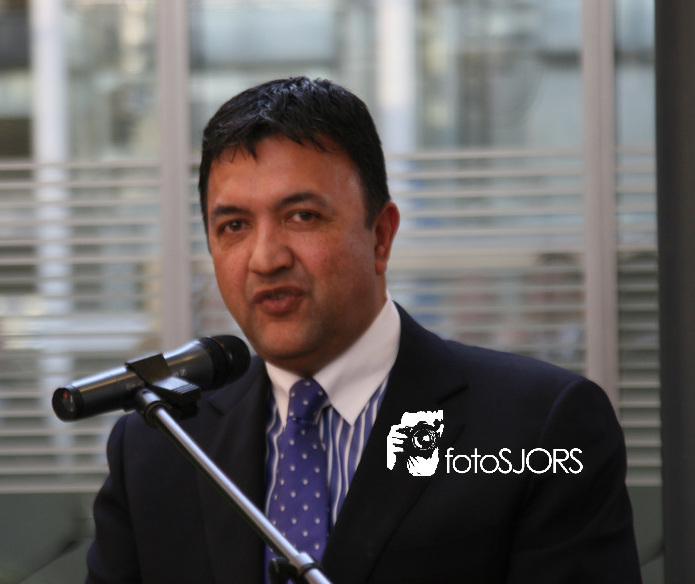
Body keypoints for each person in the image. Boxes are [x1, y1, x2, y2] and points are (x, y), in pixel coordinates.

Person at [85, 77, 641, 583]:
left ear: (380, 236)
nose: (265, 258)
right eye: (233, 226)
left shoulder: (539, 428)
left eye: (302, 216)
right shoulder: (159, 447)